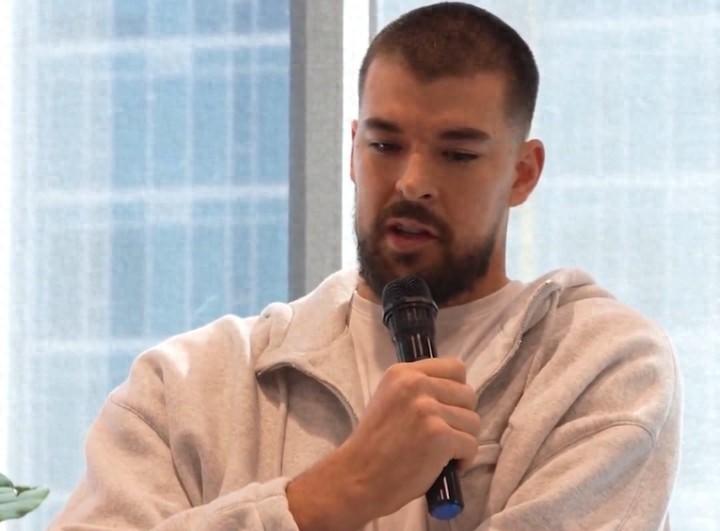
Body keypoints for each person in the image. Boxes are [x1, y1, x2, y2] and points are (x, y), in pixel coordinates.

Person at [51, 3, 681, 530]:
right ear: (353, 150)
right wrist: (339, 491)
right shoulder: (184, 386)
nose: (411, 181)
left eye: (457, 154)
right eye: (384, 145)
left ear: (523, 173)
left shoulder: (598, 367)